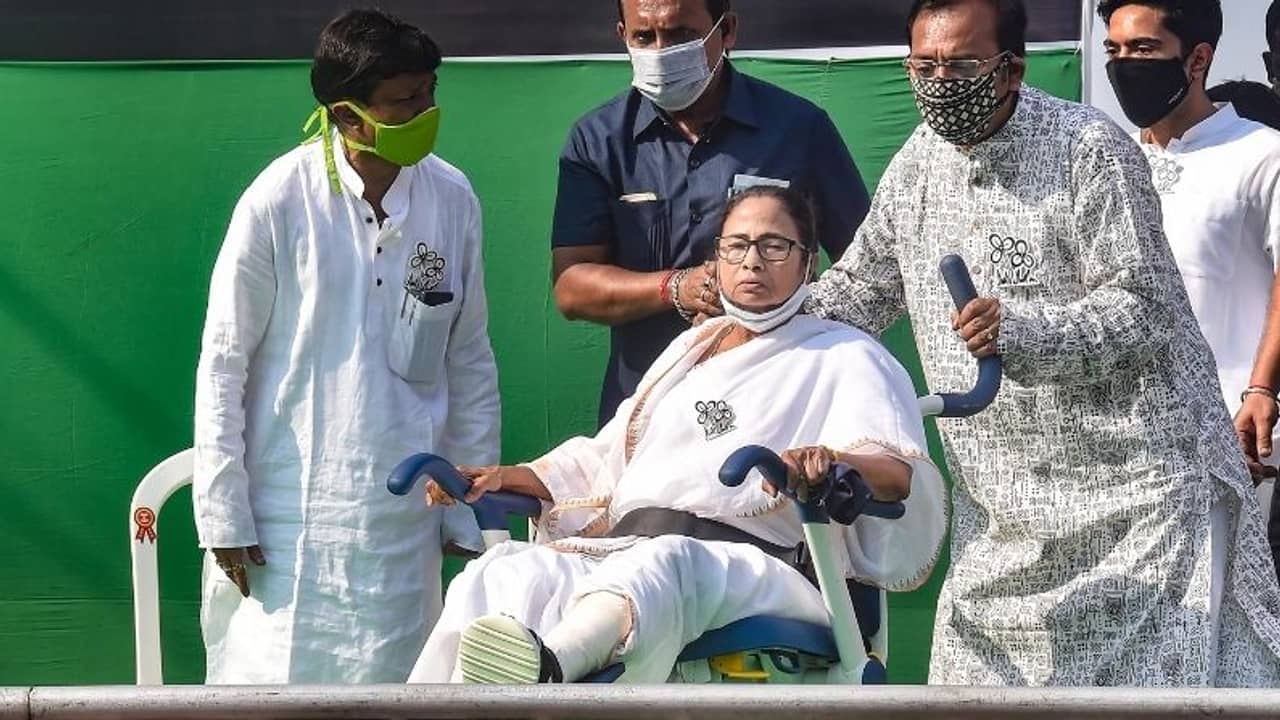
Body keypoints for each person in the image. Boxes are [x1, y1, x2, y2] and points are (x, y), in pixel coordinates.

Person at [805, 0, 1280, 687]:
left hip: (1143, 512)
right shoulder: (917, 167)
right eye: (923, 66)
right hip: (1002, 524)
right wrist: (761, 323)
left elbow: (1145, 309)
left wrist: (1023, 332)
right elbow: (859, 292)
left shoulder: (1088, 149)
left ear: (1011, 70)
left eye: (961, 65)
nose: (939, 83)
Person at [407, 186, 946, 683]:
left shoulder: (846, 353)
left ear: (808, 263)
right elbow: (608, 459)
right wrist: (512, 477)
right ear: (718, 258)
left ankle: (550, 670)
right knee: (503, 572)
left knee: (662, 565)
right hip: (627, 547)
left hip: (760, 568)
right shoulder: (692, 348)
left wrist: (828, 461)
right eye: (737, 246)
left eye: (775, 246)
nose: (753, 260)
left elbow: (894, 472)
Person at [193, 8, 499, 683]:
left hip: (404, 524)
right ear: (347, 116)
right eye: (405, 100)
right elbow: (223, 361)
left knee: (403, 690)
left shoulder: (452, 197)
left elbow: (468, 354)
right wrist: (224, 512)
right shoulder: (279, 200)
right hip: (286, 521)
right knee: (272, 691)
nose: (425, 112)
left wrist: (468, 506)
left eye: (429, 92)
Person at [552, 0, 872, 427]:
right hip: (649, 412)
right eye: (644, 37)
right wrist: (677, 287)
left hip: (781, 407)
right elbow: (572, 287)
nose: (661, 51)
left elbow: (867, 268)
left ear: (728, 31)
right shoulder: (597, 141)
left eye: (681, 35)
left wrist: (772, 311)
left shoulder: (800, 129)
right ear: (622, 36)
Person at [1101, 0, 1280, 583]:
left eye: (1143, 48)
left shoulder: (1261, 153)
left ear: (1198, 59)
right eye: (1114, 49)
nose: (1124, 64)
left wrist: (1261, 390)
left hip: (1233, 441)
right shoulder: (1112, 162)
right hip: (1127, 450)